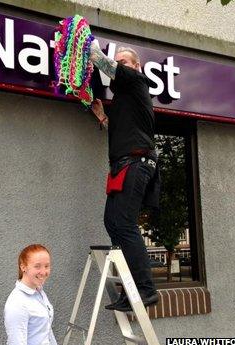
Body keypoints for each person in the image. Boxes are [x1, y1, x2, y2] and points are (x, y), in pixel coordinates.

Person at [88, 40, 160, 312]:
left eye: (125, 61)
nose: (120, 64)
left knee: (125, 224)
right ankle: (130, 291)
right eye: (119, 61)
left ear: (136, 66)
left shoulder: (137, 82)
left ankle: (146, 290)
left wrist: (87, 41)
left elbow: (101, 61)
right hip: (122, 165)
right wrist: (103, 118)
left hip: (136, 163)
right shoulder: (122, 101)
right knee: (113, 223)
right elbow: (122, 131)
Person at [4, 244, 59, 345]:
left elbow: (46, 332)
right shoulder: (17, 303)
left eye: (47, 266)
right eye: (37, 266)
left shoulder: (39, 291)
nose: (43, 272)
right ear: (23, 267)